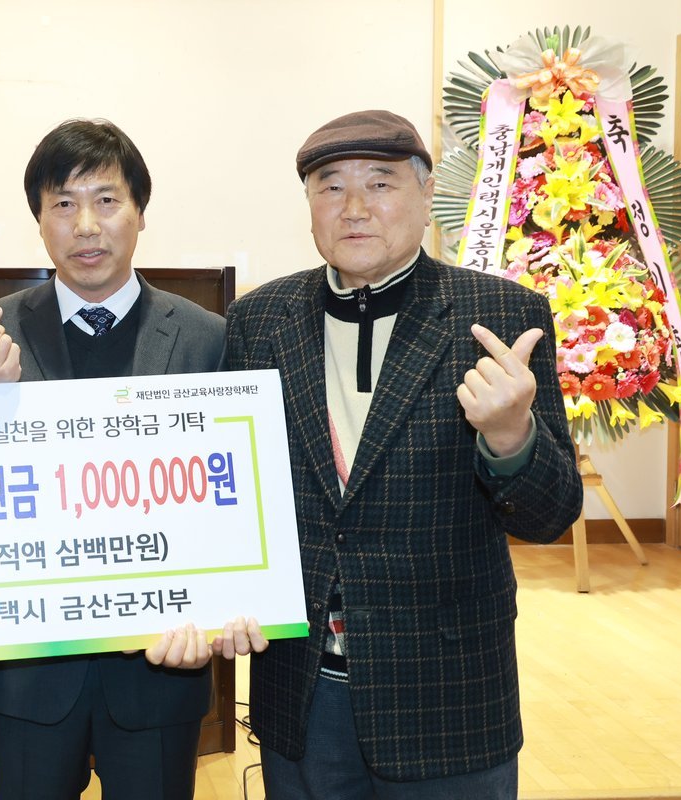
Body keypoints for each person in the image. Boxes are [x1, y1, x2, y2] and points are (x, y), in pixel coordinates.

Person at [225, 110, 582, 799]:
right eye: (331, 187)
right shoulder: (259, 319)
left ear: (426, 196)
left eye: (380, 183)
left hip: (446, 693)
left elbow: (551, 516)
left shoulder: (500, 316)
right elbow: (235, 496)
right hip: (300, 691)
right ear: (309, 205)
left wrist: (512, 438)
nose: (354, 207)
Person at [0, 118, 259, 800]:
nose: (86, 225)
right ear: (39, 221)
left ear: (140, 213)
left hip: (161, 664)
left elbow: (230, 497)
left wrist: (230, 602)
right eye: (63, 204)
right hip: (27, 671)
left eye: (107, 200)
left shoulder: (208, 338)